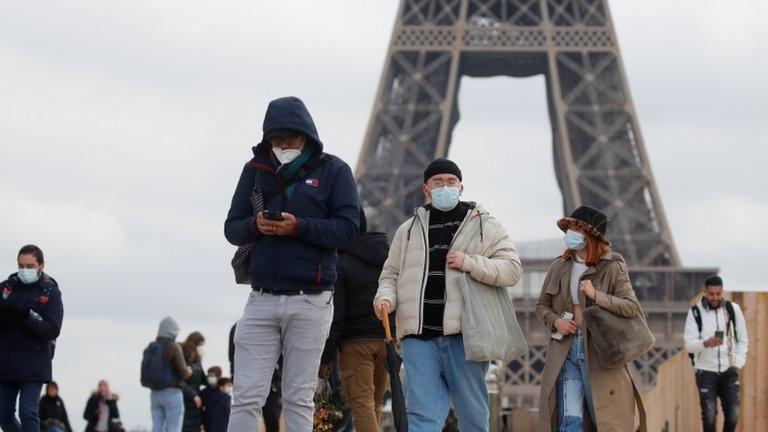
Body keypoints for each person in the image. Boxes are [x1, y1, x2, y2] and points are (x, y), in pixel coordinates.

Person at [224, 96, 359, 431]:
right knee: (245, 395)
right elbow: (232, 228)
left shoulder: (335, 171)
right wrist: (256, 225)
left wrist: (298, 226)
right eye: (275, 138)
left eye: (289, 137)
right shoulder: (255, 172)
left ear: (306, 135)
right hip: (262, 298)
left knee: (298, 395)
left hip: (310, 298)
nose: (282, 144)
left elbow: (348, 229)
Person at [373, 158, 522, 432]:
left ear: (461, 187)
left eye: (450, 182)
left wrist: (469, 262)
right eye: (438, 182)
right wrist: (385, 298)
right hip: (418, 339)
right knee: (421, 417)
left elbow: (512, 270)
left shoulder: (486, 226)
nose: (445, 187)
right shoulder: (406, 231)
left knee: (473, 417)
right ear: (426, 189)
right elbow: (390, 275)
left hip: (464, 337)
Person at [535, 206, 646, 431]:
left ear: (590, 234)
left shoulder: (612, 266)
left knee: (604, 419)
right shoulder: (559, 266)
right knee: (570, 420)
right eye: (569, 228)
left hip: (597, 350)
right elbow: (542, 306)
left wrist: (598, 296)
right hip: (566, 351)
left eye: (576, 228)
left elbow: (631, 307)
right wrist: (556, 321)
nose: (570, 233)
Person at [320, 208, 390, 432]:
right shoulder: (388, 258)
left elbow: (337, 316)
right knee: (376, 403)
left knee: (361, 405)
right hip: (387, 339)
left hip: (356, 343)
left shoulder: (341, 262)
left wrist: (326, 357)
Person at [0, 245, 64, 432]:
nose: (24, 270)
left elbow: (52, 329)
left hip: (34, 363)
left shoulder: (50, 292)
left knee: (28, 413)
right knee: (3, 414)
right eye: (21, 265)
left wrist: (25, 318)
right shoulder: (5, 289)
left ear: (41, 266)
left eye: (29, 266)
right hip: (7, 362)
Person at [684, 275, 748, 432]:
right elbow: (688, 345)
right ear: (705, 292)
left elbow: (743, 340)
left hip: (729, 371)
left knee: (733, 415)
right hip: (705, 373)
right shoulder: (695, 313)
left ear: (722, 292)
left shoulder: (733, 310)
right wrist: (705, 343)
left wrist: (737, 365)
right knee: (709, 416)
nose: (715, 297)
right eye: (711, 294)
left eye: (718, 294)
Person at [228, 325, 281, 432]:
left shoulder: (277, 326)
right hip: (248, 381)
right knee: (246, 415)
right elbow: (232, 355)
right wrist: (234, 376)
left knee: (272, 418)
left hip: (273, 383)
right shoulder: (238, 327)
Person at [146, 317, 192, 432]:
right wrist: (190, 370)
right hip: (172, 393)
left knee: (157, 428)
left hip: (155, 393)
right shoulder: (173, 346)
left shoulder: (151, 347)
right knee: (173, 428)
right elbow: (183, 372)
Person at [180, 332, 206, 432]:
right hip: (186, 401)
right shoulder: (182, 356)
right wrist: (193, 395)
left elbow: (203, 378)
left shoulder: (197, 360)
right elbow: (178, 380)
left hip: (195, 404)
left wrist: (216, 383)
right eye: (200, 345)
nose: (202, 348)